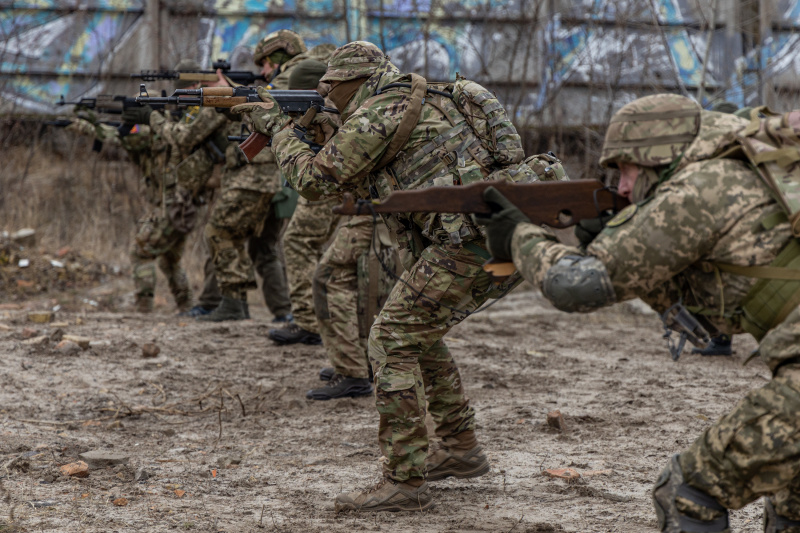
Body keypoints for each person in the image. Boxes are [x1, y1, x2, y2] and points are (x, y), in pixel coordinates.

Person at [234, 41, 541, 512]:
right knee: (419, 335)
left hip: (470, 243)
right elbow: (359, 175)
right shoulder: (414, 99)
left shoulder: (378, 112)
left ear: (352, 81)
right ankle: (459, 448)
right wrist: (316, 127)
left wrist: (276, 127)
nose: (327, 96)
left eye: (330, 89)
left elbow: (315, 183)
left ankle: (405, 479)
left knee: (391, 337)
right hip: (493, 235)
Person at [479, 93, 800, 532]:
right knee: (793, 499)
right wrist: (609, 241)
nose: (623, 187)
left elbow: (577, 286)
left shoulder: (698, 189)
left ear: (654, 157)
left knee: (686, 489)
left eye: (626, 171)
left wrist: (518, 237)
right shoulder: (759, 174)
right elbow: (707, 314)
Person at [197, 31, 310, 322]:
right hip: (275, 176)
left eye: (267, 64)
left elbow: (266, 109)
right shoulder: (294, 77)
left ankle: (235, 302)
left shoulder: (293, 77)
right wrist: (226, 92)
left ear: (280, 57)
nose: (262, 71)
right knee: (263, 247)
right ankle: (283, 312)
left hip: (261, 176)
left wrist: (226, 89)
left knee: (221, 231)